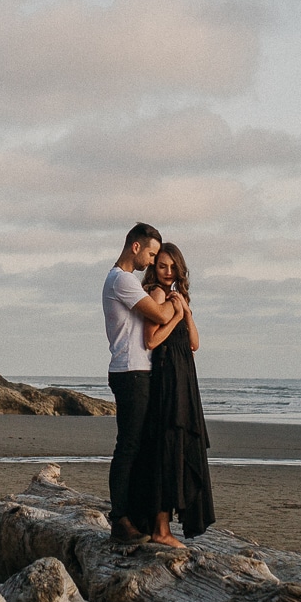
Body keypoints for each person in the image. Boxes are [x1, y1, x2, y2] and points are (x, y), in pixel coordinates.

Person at [125, 243, 213, 548]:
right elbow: (151, 341)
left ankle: (163, 528)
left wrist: (185, 312)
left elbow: (194, 343)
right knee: (167, 448)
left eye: (172, 266)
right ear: (154, 267)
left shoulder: (177, 295)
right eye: (162, 265)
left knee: (179, 446)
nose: (167, 271)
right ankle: (161, 530)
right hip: (167, 376)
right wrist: (175, 315)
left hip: (184, 374)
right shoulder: (157, 294)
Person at [103, 221, 178, 543]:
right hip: (130, 372)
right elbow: (159, 316)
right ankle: (119, 520)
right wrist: (177, 308)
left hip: (136, 371)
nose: (151, 261)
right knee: (129, 446)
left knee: (138, 447)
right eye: (150, 254)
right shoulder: (121, 280)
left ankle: (133, 517)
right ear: (136, 247)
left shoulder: (126, 281)